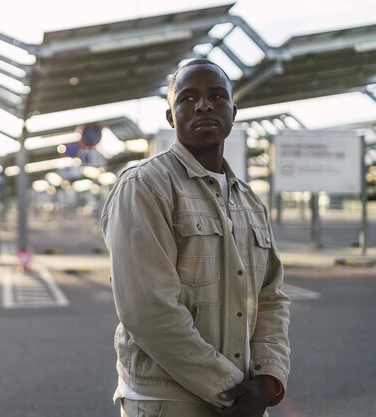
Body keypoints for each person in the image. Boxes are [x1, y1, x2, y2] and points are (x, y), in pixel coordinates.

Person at [100, 59, 290, 417]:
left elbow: (270, 298)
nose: (203, 105)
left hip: (245, 399)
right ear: (171, 117)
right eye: (187, 98)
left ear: (233, 111)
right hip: (170, 402)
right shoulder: (145, 186)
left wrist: (268, 378)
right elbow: (148, 309)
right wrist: (228, 389)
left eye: (217, 96)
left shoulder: (248, 200)